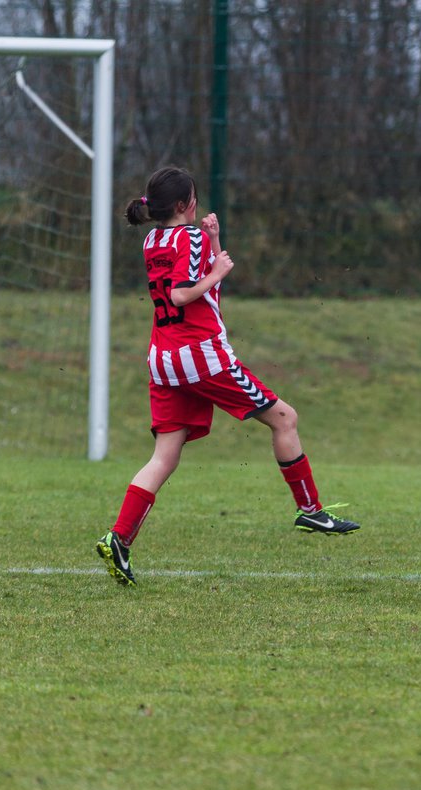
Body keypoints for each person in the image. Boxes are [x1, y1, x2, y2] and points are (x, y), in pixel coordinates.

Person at [95, 166, 358, 586]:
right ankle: (311, 512)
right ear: (185, 205)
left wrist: (214, 244)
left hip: (162, 358)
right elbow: (186, 292)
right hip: (201, 356)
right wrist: (216, 268)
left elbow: (197, 288)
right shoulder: (190, 238)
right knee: (285, 419)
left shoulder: (153, 240)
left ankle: (119, 538)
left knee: (164, 456)